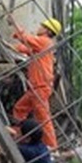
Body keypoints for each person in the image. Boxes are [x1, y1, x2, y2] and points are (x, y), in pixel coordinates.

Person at [12, 18, 62, 149]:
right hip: (35, 87)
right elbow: (26, 48)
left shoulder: (44, 42)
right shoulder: (41, 45)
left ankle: (52, 146)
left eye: (42, 26)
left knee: (43, 118)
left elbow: (26, 39)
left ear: (47, 30)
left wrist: (15, 23)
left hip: (40, 86)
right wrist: (13, 46)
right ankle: (17, 134)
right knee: (20, 109)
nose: (39, 27)